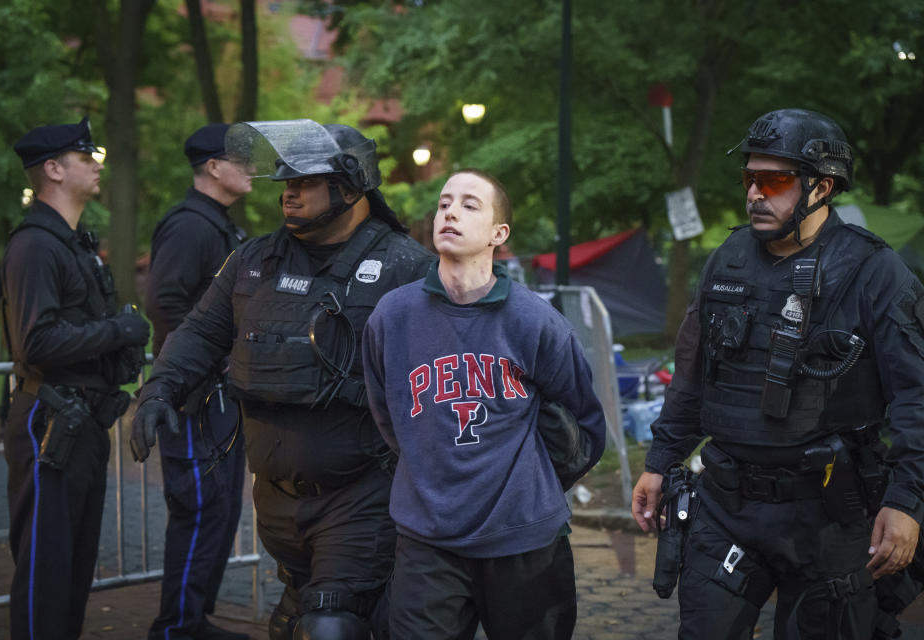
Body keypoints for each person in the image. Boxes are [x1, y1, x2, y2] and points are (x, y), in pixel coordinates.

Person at [128, 119, 435, 640]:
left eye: (304, 183)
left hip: (359, 497)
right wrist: (160, 389)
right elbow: (201, 331)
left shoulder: (406, 268)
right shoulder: (253, 260)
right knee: (294, 620)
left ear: (350, 184)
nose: (289, 195)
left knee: (331, 625)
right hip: (274, 501)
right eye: (286, 184)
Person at [631, 108, 924, 639]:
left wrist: (907, 502)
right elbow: (694, 374)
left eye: (775, 180)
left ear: (822, 187)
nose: (755, 194)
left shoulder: (875, 273)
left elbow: (917, 398)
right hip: (727, 504)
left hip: (830, 514)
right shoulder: (728, 259)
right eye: (750, 178)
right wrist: (660, 460)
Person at [361, 169, 609, 639]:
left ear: (499, 234)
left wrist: (528, 487)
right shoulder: (392, 317)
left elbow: (586, 426)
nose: (450, 211)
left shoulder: (535, 321)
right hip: (427, 541)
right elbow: (387, 415)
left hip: (525, 541)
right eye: (444, 202)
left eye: (469, 204)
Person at [1, 117, 150, 639]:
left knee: (74, 566)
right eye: (85, 156)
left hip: (78, 421)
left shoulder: (70, 242)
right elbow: (35, 344)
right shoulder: (37, 245)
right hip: (50, 423)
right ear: (54, 169)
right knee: (48, 566)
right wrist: (118, 328)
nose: (96, 164)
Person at [142, 123, 251, 640]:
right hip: (195, 397)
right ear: (213, 167)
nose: (250, 167)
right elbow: (165, 304)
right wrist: (206, 366)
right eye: (240, 158)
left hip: (218, 396)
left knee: (219, 512)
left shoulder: (217, 224)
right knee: (200, 509)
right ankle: (176, 627)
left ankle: (194, 620)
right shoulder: (191, 226)